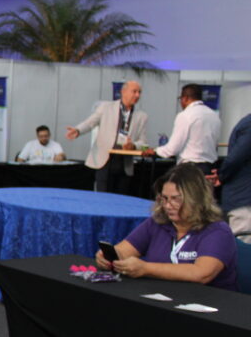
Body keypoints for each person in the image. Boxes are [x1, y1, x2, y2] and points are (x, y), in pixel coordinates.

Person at [96, 163, 237, 290]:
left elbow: (201, 273)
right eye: (164, 199)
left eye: (176, 199)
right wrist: (108, 256)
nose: (168, 206)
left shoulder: (217, 231)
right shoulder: (158, 223)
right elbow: (123, 251)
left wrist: (146, 268)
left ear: (196, 199)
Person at [65, 81, 148, 194]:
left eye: (139, 92)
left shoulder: (142, 116)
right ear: (123, 92)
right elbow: (90, 122)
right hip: (105, 161)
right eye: (134, 91)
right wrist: (78, 130)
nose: (137, 95)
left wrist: (133, 145)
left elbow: (143, 144)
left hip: (125, 165)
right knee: (102, 197)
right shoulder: (106, 107)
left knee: (120, 201)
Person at [146, 84, 220, 174]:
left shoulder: (185, 115)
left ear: (185, 98)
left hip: (190, 169)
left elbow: (173, 148)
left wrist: (155, 151)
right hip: (211, 169)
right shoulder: (214, 116)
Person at [210, 113, 251, 240]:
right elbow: (236, 158)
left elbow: (236, 158)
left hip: (241, 196)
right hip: (244, 199)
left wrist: (222, 175)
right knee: (242, 246)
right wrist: (222, 175)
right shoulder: (249, 125)